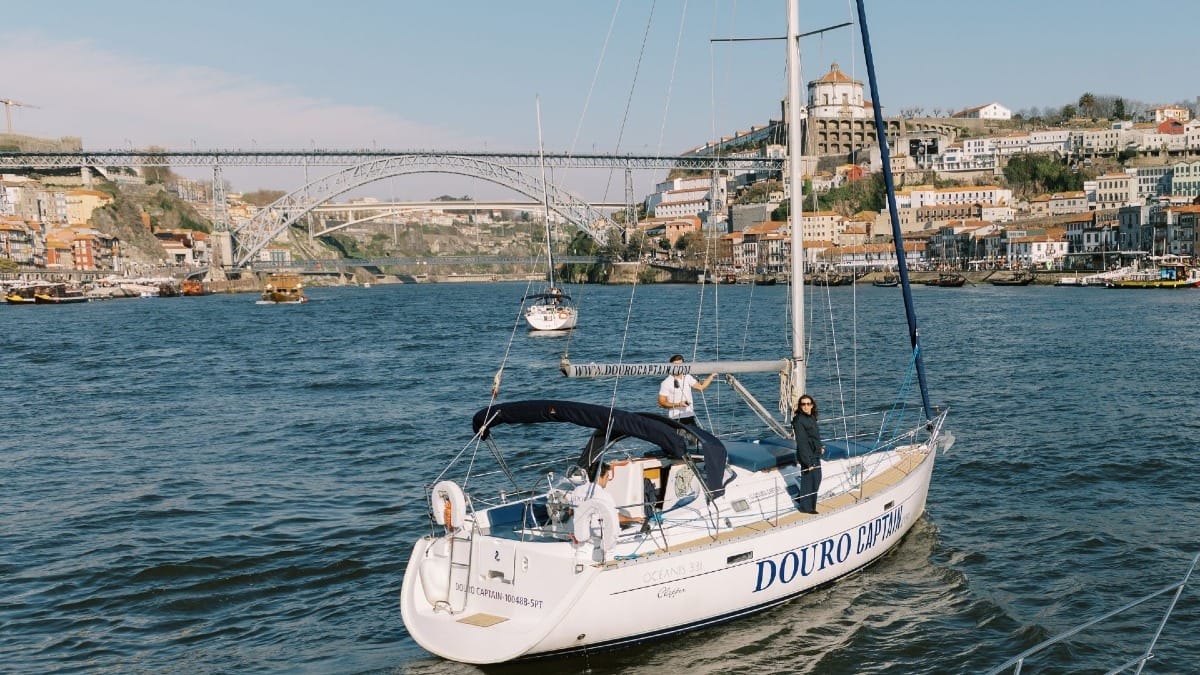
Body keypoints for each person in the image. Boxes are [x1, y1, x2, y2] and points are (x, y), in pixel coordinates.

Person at [570, 462, 643, 527]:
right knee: (627, 516)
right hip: (599, 535)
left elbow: (571, 511)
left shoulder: (577, 490)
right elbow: (616, 518)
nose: (608, 479)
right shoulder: (604, 495)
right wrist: (634, 519)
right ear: (599, 477)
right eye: (607, 476)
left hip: (581, 532)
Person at [658, 354, 716, 426]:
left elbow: (701, 387)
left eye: (680, 365)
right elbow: (661, 403)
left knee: (696, 437)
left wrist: (711, 377)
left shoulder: (687, 377)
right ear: (671, 366)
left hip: (690, 416)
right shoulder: (666, 382)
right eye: (676, 365)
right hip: (675, 419)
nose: (678, 367)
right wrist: (678, 404)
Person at [791, 394, 825, 515]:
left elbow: (814, 436)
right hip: (808, 455)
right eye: (803, 404)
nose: (806, 406)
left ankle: (807, 502)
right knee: (809, 480)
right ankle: (806, 507)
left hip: (815, 453)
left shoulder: (811, 417)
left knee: (816, 479)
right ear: (800, 406)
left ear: (812, 405)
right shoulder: (799, 420)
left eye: (808, 404)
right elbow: (801, 442)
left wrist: (820, 446)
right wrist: (807, 461)